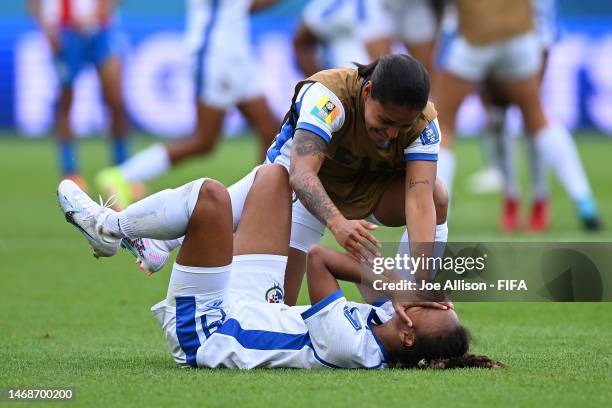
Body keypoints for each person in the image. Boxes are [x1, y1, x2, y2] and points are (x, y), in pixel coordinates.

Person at [57, 165, 496, 369]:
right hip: (255, 304)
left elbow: (321, 261)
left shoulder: (351, 347)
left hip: (209, 330)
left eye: (431, 308)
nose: (431, 300)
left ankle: (110, 228)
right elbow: (367, 273)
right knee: (275, 177)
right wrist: (394, 281)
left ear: (409, 332)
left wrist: (390, 280)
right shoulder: (387, 325)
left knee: (211, 197)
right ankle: (154, 246)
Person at [118, 54, 451, 308]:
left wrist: (419, 285)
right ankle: (138, 232)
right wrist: (336, 223)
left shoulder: (423, 123)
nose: (391, 134)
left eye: (400, 126)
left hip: (367, 189)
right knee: (275, 309)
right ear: (367, 91)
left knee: (436, 195)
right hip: (301, 187)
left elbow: (419, 201)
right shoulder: (328, 97)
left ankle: (407, 302)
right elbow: (301, 174)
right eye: (385, 121)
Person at [433, 0, 601, 231]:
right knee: (537, 119)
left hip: (474, 34)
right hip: (520, 35)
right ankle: (583, 199)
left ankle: (437, 218)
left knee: (444, 127)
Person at [96, 0, 281, 208]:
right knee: (203, 140)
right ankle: (123, 175)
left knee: (269, 129)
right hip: (216, 54)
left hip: (236, 54)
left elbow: (244, 6)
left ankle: (260, 200)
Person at [27, 0, 129, 189]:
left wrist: (99, 11)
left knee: (115, 100)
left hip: (102, 31)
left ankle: (123, 172)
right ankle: (70, 172)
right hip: (64, 34)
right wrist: (45, 28)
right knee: (66, 101)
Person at [293, 0, 392, 77]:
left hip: (366, 88)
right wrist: (318, 82)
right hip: (342, 87)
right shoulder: (331, 5)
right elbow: (302, 41)